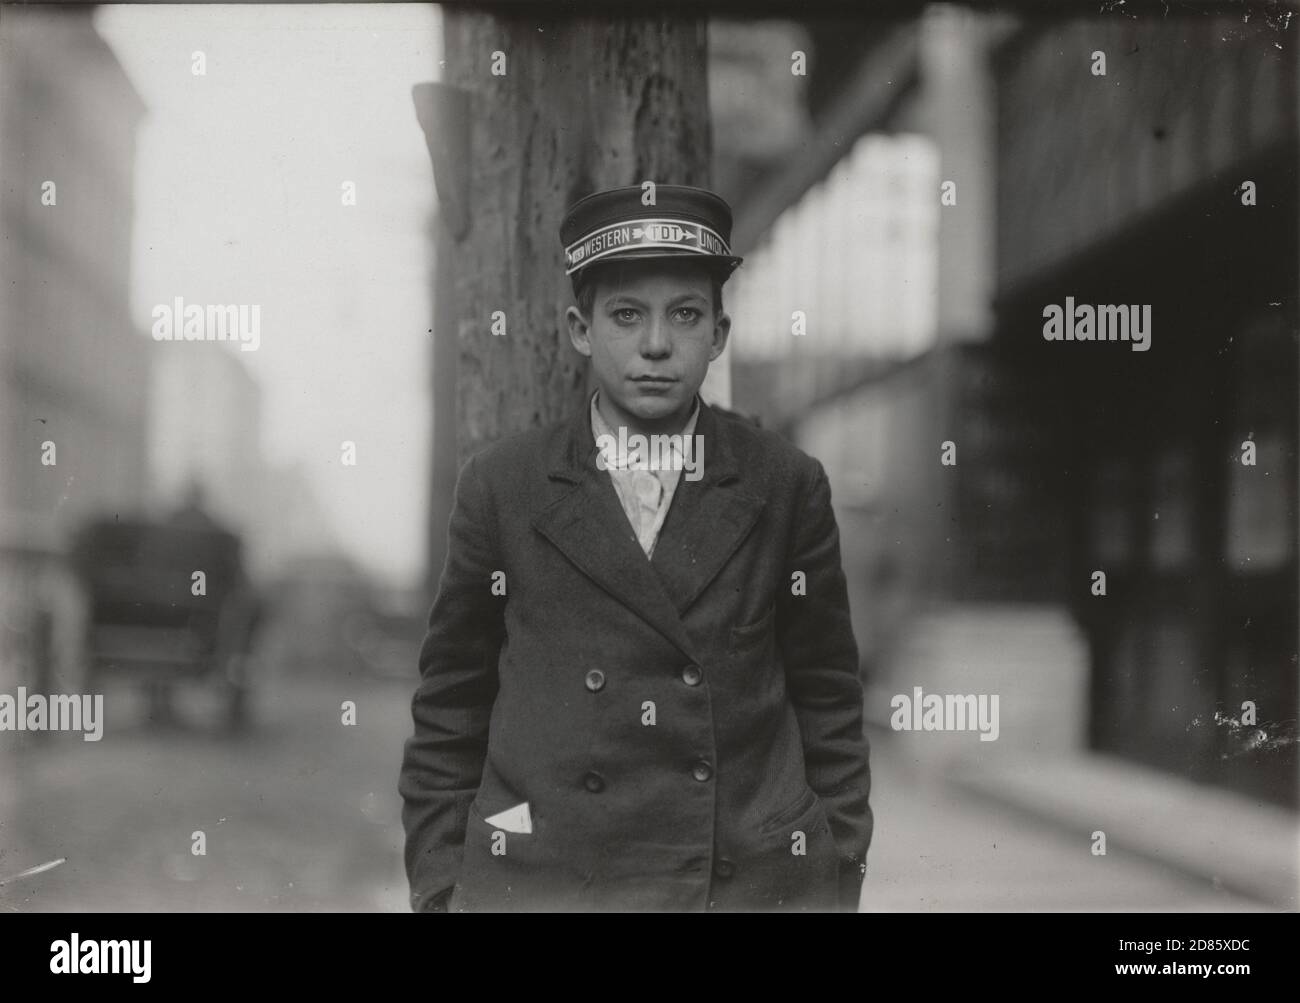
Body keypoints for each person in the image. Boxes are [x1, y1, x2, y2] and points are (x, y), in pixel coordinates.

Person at [399, 184, 872, 912]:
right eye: (626, 315)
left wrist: (834, 878)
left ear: (718, 333)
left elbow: (829, 701)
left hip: (739, 886)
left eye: (684, 314)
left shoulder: (784, 484)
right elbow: (450, 708)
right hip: (550, 887)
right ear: (579, 328)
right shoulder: (505, 487)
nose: (656, 344)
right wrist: (442, 889)